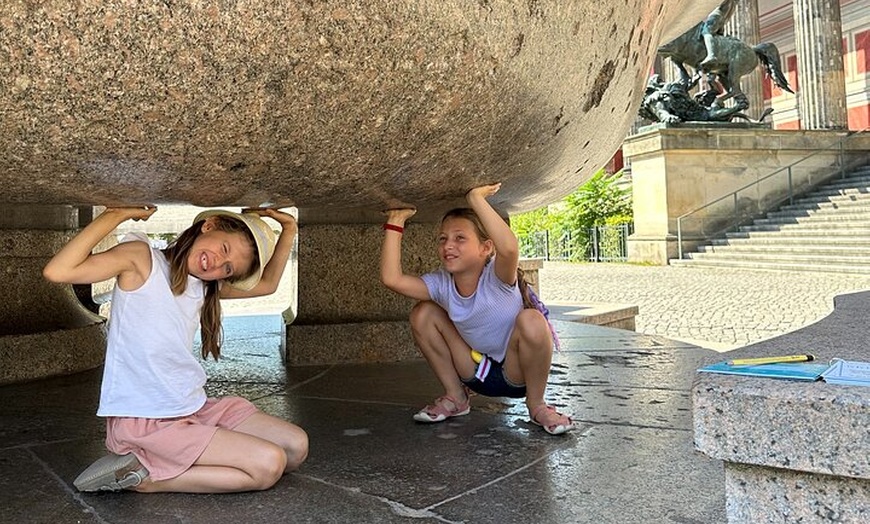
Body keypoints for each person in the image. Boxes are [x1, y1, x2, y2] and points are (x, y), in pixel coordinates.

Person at [43, 206, 308, 493]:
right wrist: (115, 215)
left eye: (228, 268)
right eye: (224, 247)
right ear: (210, 225)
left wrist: (290, 228)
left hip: (191, 407)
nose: (217, 263)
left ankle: (171, 459)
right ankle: (149, 479)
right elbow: (58, 271)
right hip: (147, 419)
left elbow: (267, 285)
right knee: (268, 465)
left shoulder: (206, 286)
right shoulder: (141, 259)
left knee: (296, 448)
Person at [379, 183, 574, 435]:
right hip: (474, 371)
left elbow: (510, 248)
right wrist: (396, 221)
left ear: (486, 248)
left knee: (532, 320)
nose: (448, 245)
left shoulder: (498, 277)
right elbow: (392, 279)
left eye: (460, 238)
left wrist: (476, 199)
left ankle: (537, 405)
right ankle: (456, 397)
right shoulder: (441, 283)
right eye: (443, 239)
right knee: (423, 313)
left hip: (516, 374)